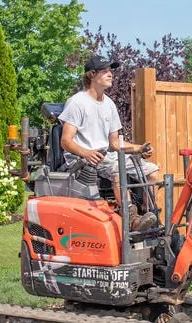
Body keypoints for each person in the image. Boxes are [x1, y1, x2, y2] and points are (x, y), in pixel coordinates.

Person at [58, 54, 160, 231]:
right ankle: (132, 219)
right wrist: (86, 153)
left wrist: (139, 148)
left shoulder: (109, 104)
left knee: (153, 172)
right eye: (105, 71)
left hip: (107, 155)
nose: (110, 74)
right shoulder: (77, 102)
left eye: (110, 71)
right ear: (91, 75)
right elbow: (66, 141)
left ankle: (148, 215)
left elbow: (114, 143)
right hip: (83, 158)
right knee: (117, 171)